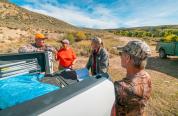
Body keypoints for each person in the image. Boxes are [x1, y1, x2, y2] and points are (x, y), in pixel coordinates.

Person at [111, 40, 152, 116]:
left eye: (121, 54)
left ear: (127, 58)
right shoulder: (147, 77)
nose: (120, 56)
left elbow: (113, 113)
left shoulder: (120, 87)